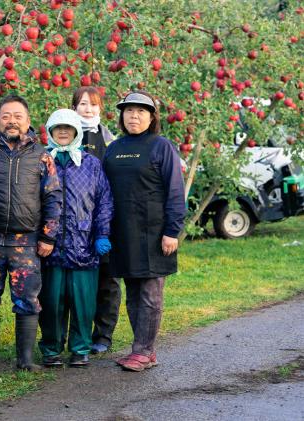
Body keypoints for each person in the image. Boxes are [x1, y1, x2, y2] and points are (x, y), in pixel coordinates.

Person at [0, 95, 62, 372]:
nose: (12, 121)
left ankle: (26, 360)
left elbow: (53, 197)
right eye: (6, 116)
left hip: (26, 243)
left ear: (28, 121)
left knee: (28, 300)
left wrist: (48, 236)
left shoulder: (41, 156)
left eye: (17, 116)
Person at [103, 91, 185, 372]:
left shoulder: (162, 146)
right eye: (128, 111)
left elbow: (175, 190)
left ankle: (144, 350)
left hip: (154, 231)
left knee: (151, 293)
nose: (133, 116)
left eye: (140, 111)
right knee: (133, 291)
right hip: (122, 231)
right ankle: (142, 350)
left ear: (151, 117)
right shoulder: (114, 147)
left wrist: (172, 230)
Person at [38, 109, 113, 368]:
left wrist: (102, 234)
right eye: (57, 128)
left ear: (76, 132)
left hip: (84, 246)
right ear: (49, 131)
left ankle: (80, 348)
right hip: (50, 246)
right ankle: (51, 348)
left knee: (83, 303)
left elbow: (104, 201)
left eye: (67, 128)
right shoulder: (41, 161)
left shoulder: (90, 163)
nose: (62, 132)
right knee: (51, 302)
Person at [70, 86, 120, 354]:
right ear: (74, 107)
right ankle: (77, 335)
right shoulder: (64, 136)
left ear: (101, 108)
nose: (88, 109)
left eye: (93, 104)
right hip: (73, 225)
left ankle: (103, 335)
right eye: (82, 104)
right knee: (75, 282)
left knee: (107, 281)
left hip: (105, 223)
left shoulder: (111, 141)